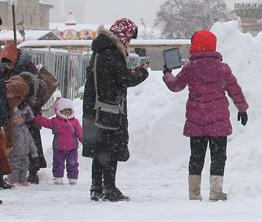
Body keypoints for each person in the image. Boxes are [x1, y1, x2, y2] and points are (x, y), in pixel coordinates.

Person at [162, 29, 249, 201]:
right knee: (218, 157)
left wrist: (167, 74)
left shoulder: (190, 68)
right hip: (219, 121)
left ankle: (194, 193)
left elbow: (176, 86)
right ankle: (216, 192)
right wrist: (242, 108)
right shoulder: (222, 69)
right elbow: (234, 90)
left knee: (196, 156)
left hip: (197, 121)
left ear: (194, 46)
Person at [82, 18, 149, 202]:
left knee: (99, 148)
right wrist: (142, 73)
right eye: (130, 37)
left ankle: (96, 188)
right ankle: (109, 189)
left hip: (95, 106)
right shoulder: (112, 52)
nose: (130, 42)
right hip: (108, 108)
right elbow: (124, 79)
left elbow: (113, 76)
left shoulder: (100, 50)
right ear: (124, 35)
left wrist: (128, 71)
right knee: (109, 150)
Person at [1, 43, 48, 184]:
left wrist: (27, 105)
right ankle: (12, 170)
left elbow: (35, 87)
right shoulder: (3, 69)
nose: (7, 66)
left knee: (31, 140)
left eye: (9, 63)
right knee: (12, 140)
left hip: (27, 107)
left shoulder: (28, 66)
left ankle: (33, 169)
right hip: (12, 107)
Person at [34, 98, 83, 184]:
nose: (67, 113)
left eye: (69, 111)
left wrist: (84, 141)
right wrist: (36, 118)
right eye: (64, 111)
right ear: (59, 111)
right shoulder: (55, 121)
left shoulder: (75, 122)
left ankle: (72, 177)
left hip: (72, 148)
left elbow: (80, 133)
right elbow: (45, 122)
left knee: (73, 163)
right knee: (58, 163)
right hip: (59, 147)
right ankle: (58, 177)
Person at [6, 105, 37, 186]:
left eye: (21, 117)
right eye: (17, 117)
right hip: (13, 154)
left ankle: (22, 180)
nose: (19, 119)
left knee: (24, 167)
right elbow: (7, 140)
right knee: (14, 168)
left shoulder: (25, 128)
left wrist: (34, 151)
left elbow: (30, 140)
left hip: (25, 154)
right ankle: (13, 181)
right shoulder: (11, 129)